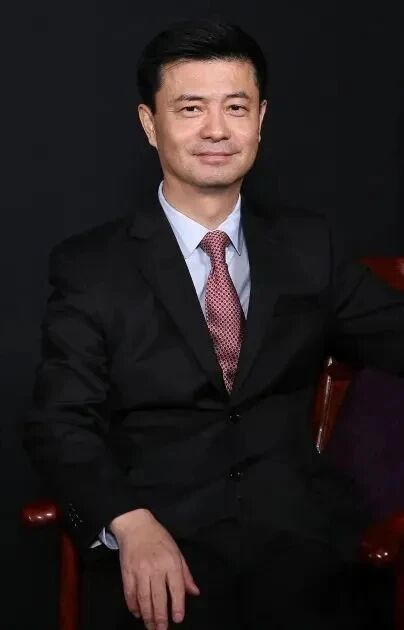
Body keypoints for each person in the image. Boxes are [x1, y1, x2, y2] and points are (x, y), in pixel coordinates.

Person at [23, 19, 404, 630]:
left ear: (261, 119)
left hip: (302, 541)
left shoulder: (310, 246)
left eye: (236, 107)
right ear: (150, 124)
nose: (217, 130)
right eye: (191, 108)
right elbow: (59, 422)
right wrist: (128, 523)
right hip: (161, 536)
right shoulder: (91, 267)